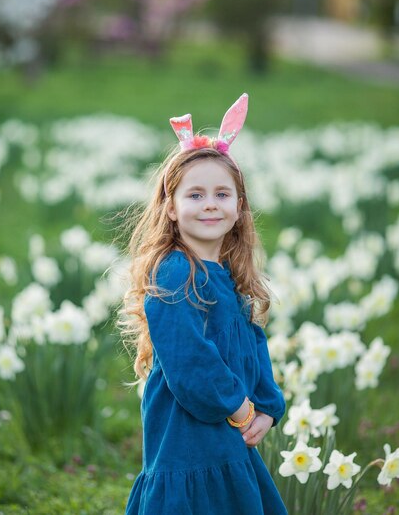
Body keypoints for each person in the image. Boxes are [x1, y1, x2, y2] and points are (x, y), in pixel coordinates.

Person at [118, 93, 287, 515]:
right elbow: (190, 361)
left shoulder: (228, 274)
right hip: (186, 440)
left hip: (228, 436)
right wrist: (239, 407)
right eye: (195, 195)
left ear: (239, 206)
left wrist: (267, 404)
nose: (210, 203)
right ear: (171, 208)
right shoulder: (175, 273)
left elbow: (251, 343)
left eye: (221, 194)